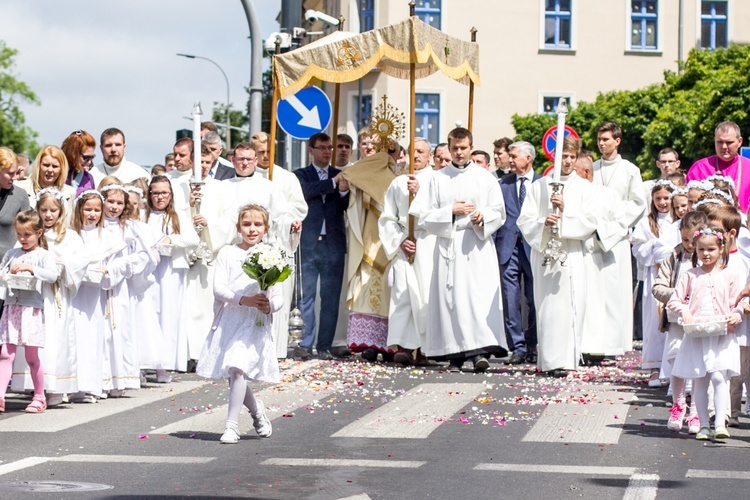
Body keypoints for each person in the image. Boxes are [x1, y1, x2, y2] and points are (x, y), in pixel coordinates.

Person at [410, 127, 507, 372]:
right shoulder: (437, 178)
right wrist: (450, 212)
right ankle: (454, 354)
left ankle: (479, 351)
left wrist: (483, 217)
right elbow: (422, 216)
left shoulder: (485, 178)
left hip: (476, 244)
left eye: (464, 148)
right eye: (455, 148)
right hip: (449, 244)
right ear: (449, 149)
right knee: (450, 300)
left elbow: (499, 210)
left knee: (477, 297)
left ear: (471, 147)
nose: (459, 152)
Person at [197, 204, 278, 444]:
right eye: (247, 224)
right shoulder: (227, 253)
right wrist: (245, 300)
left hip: (255, 321)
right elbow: (219, 288)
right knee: (234, 372)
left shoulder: (272, 255)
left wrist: (268, 305)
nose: (252, 230)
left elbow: (278, 295)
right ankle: (257, 411)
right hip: (231, 317)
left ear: (266, 228)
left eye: (257, 225)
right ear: (238, 227)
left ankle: (231, 426)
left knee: (238, 366)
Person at [518, 137, 597, 377]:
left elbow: (591, 221)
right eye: (564, 157)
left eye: (572, 157)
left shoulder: (584, 187)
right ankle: (549, 359)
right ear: (554, 157)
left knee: (571, 306)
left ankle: (569, 359)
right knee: (548, 308)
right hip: (545, 253)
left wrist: (566, 213)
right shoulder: (539, 186)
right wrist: (544, 222)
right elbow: (524, 220)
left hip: (572, 253)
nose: (568, 161)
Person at [11, 190, 87, 406]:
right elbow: (17, 256)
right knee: (33, 339)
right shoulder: (32, 233)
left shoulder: (69, 236)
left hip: (56, 295)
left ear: (61, 210)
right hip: (33, 295)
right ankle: (35, 386)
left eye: (53, 210)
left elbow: (81, 261)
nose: (48, 214)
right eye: (43, 210)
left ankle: (56, 387)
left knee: (55, 337)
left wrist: (62, 265)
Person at [668, 226, 743, 440]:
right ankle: (702, 424)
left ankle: (720, 422)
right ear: (696, 251)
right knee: (700, 379)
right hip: (697, 334)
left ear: (721, 248)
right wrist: (684, 310)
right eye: (701, 250)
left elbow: (739, 300)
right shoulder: (691, 275)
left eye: (711, 249)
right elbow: (674, 299)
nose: (706, 254)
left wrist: (736, 313)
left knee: (719, 377)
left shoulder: (728, 274)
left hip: (721, 333)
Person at [378, 138, 436, 366]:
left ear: (430, 155)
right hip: (406, 243)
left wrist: (419, 193)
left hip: (429, 241)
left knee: (426, 296)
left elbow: (441, 211)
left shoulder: (438, 180)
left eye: (422, 152)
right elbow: (387, 218)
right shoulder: (398, 182)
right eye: (414, 152)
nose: (418, 156)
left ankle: (425, 348)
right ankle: (403, 345)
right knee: (403, 294)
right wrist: (401, 240)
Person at [249, 132, 307, 359]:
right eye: (260, 152)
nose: (265, 156)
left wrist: (287, 223)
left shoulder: (286, 178)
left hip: (279, 244)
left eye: (268, 152)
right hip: (254, 244)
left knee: (277, 298)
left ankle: (277, 348)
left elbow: (299, 209)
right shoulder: (249, 179)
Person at [591, 122, 647, 355]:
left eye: (606, 139)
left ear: (617, 141)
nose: (602, 143)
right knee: (595, 292)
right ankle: (595, 342)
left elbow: (638, 204)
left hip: (618, 238)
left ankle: (615, 344)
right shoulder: (591, 168)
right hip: (593, 237)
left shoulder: (629, 170)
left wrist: (612, 221)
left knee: (616, 293)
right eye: (599, 139)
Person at [293, 133, 349, 360]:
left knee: (330, 297)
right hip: (308, 244)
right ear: (311, 150)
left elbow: (347, 205)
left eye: (330, 148)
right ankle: (304, 344)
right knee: (305, 296)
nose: (327, 152)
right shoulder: (300, 175)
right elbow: (306, 193)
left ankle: (324, 345)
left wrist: (343, 189)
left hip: (333, 244)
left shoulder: (340, 174)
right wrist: (332, 183)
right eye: (322, 148)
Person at [342, 138, 397, 362]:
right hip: (370, 238)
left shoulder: (401, 176)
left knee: (391, 290)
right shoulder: (364, 172)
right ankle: (370, 344)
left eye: (388, 151)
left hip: (393, 241)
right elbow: (349, 177)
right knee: (367, 289)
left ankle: (392, 343)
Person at [0, 210, 59, 413]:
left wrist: (31, 269)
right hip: (12, 308)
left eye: (27, 234)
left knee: (32, 357)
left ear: (39, 233)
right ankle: (0, 395)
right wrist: (8, 274)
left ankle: (39, 396)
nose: (22, 239)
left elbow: (52, 275)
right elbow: (2, 272)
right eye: (19, 234)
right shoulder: (12, 254)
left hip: (31, 309)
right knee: (6, 353)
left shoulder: (44, 256)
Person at [653, 210, 706, 433]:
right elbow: (658, 287)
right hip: (676, 319)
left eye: (693, 240)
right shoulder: (674, 257)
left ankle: (696, 409)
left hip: (700, 320)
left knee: (697, 364)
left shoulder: (707, 257)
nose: (689, 245)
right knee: (675, 360)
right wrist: (676, 294)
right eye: (684, 240)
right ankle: (678, 404)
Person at [145, 176, 198, 379]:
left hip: (170, 270)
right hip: (149, 269)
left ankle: (164, 364)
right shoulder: (144, 215)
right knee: (149, 313)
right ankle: (147, 361)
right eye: (155, 193)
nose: (160, 197)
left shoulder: (178, 216)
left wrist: (171, 239)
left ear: (171, 194)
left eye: (164, 193)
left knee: (168, 314)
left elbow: (192, 239)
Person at [496, 141, 540, 365]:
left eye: (514, 156)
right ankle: (518, 346)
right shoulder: (502, 184)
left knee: (535, 299)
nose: (509, 160)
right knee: (511, 299)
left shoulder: (543, 184)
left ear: (528, 158)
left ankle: (534, 344)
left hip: (534, 248)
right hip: (508, 248)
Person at [631, 180, 675, 386]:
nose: (663, 202)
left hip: (674, 275)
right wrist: (656, 246)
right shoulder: (646, 222)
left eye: (666, 198)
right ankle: (654, 368)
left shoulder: (678, 220)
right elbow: (638, 249)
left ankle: (672, 367)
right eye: (658, 198)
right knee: (653, 322)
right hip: (654, 276)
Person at [70, 190, 107, 403]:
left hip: (95, 295)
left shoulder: (104, 235)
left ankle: (92, 384)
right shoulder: (72, 235)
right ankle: (74, 385)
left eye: (96, 210)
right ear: (79, 210)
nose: (92, 214)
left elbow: (111, 259)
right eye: (87, 209)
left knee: (93, 336)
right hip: (76, 292)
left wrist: (105, 269)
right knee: (77, 335)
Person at [686, 121, 750, 212]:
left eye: (729, 142)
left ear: (740, 142)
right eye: (720, 142)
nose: (724, 146)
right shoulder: (699, 168)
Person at [16, 146, 76, 220]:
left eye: (55, 166)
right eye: (46, 165)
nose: (50, 170)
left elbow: (71, 225)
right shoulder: (20, 188)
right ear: (39, 165)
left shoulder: (70, 193)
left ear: (61, 169)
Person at [0, 148, 31, 262]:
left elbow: (28, 230)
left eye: (16, 172)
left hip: (9, 264)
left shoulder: (20, 196)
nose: (15, 177)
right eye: (10, 173)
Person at [61, 130, 97, 195]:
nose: (89, 162)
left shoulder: (88, 178)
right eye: (86, 158)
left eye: (92, 158)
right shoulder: (57, 174)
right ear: (72, 154)